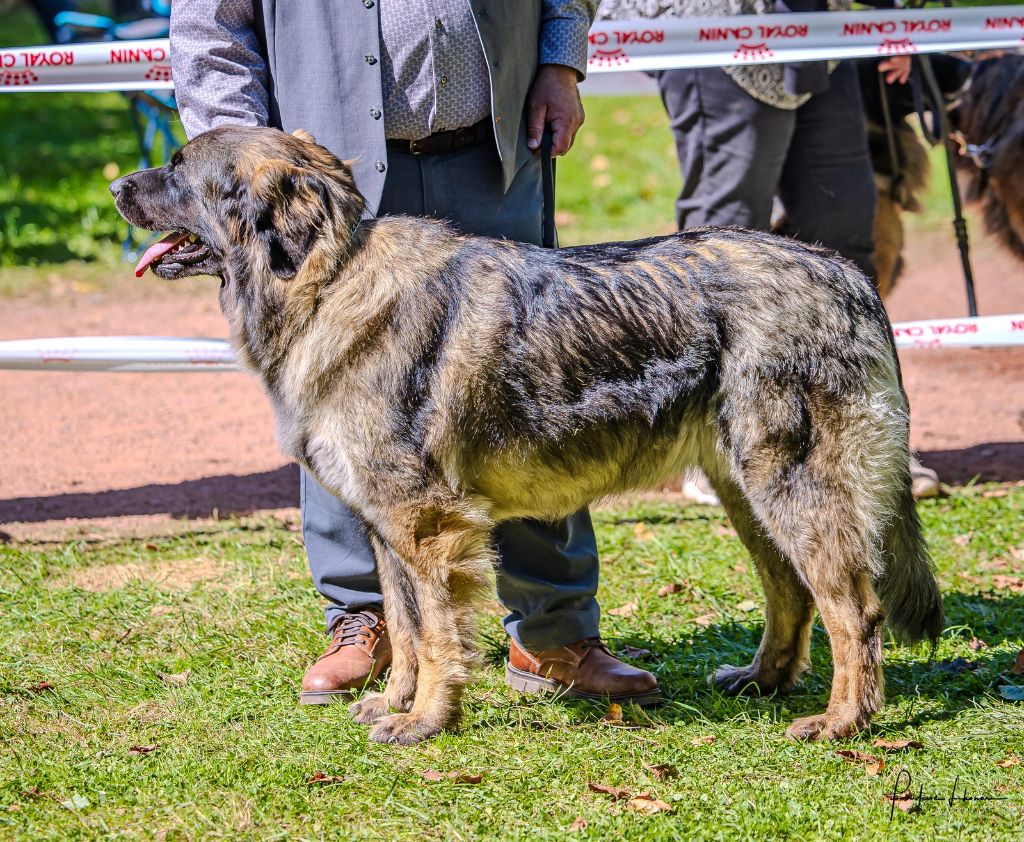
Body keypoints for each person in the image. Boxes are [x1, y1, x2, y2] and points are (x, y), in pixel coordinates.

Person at [169, 0, 660, 708]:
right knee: (341, 398)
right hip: (322, 184)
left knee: (532, 392)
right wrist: (242, 158)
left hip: (492, 149)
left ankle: (554, 632)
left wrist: (560, 59)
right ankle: (364, 623)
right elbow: (211, 28)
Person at [600, 0, 938, 501]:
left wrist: (897, 14)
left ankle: (865, 441)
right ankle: (710, 447)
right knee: (726, 244)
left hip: (824, 32)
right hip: (715, 23)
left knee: (845, 232)